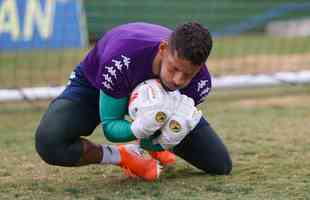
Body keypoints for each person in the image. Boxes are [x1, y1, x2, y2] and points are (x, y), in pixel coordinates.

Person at [35, 22, 232, 181]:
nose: (178, 80)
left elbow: (164, 130)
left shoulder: (200, 84)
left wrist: (164, 139)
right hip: (98, 83)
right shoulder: (121, 57)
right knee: (50, 142)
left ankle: (153, 152)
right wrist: (138, 129)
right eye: (174, 69)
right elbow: (111, 126)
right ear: (163, 49)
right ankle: (123, 156)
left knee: (220, 164)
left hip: (154, 101)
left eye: (188, 74)